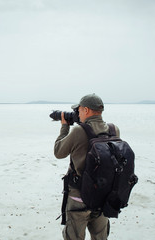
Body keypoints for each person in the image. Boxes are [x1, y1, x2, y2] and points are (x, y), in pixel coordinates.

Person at [54, 93, 120, 240]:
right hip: (103, 196)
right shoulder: (113, 130)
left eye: (79, 110)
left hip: (79, 197)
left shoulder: (79, 130)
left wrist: (64, 127)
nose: (77, 113)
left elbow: (58, 152)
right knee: (100, 237)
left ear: (86, 110)